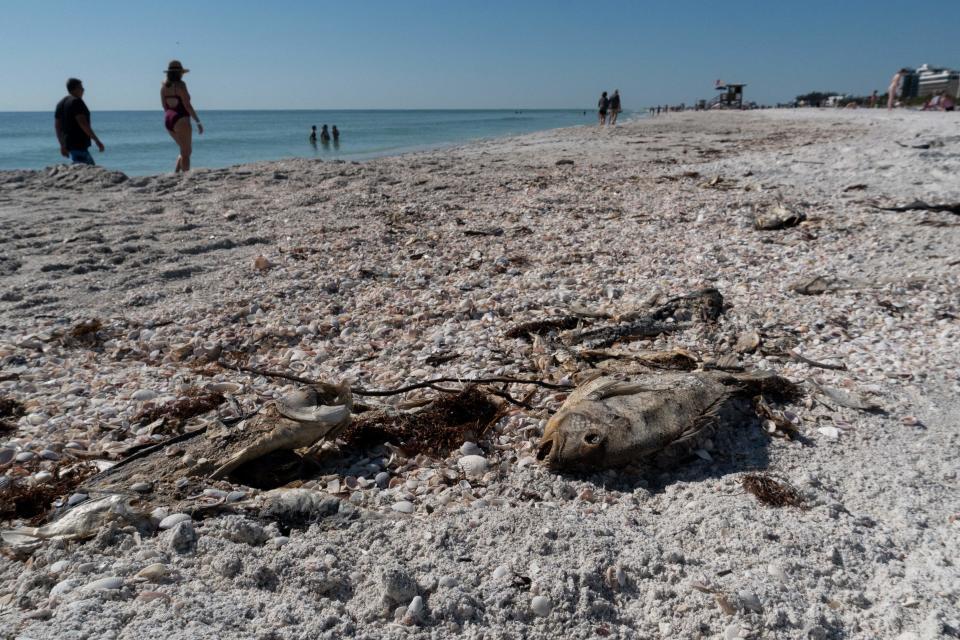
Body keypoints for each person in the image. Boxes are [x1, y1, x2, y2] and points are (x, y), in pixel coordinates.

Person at [161, 60, 203, 172]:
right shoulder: (181, 85)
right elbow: (187, 105)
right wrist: (198, 122)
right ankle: (186, 175)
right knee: (187, 152)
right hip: (181, 118)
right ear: (179, 73)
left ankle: (176, 173)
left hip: (168, 119)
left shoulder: (164, 87)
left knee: (184, 150)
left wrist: (171, 115)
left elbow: (164, 106)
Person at [54, 78, 104, 165]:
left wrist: (62, 145)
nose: (83, 90)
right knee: (90, 169)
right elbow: (83, 123)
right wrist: (97, 140)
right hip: (78, 144)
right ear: (74, 89)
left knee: (83, 167)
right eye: (81, 87)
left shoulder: (60, 103)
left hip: (69, 144)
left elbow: (57, 127)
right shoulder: (77, 102)